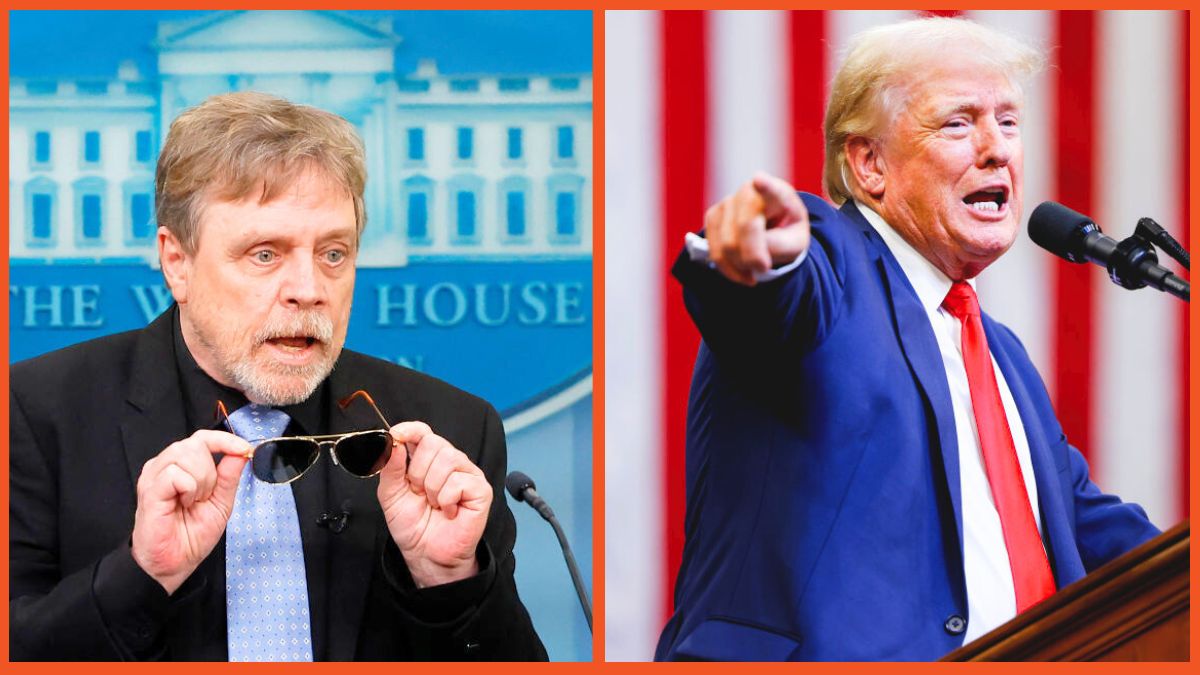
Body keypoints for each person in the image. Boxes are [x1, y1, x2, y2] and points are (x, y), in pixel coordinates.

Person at [655, 18, 1159, 661]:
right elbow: (770, 301)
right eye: (958, 122)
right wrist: (761, 259)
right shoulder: (830, 266)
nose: (996, 149)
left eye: (1008, 122)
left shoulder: (1000, 354)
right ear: (868, 165)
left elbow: (1088, 525)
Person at [10, 92, 547, 661]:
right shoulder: (35, 413)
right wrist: (142, 575)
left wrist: (449, 580)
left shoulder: (450, 426)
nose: (310, 288)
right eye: (265, 254)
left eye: (334, 254)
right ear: (177, 262)